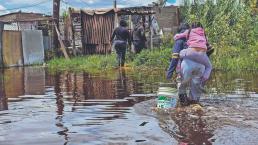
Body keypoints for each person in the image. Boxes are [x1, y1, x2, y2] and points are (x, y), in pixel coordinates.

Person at [175, 22, 213, 105]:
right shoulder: (203, 35)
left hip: (187, 61)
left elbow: (178, 37)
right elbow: (210, 48)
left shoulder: (187, 34)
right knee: (196, 91)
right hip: (201, 62)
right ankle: (194, 103)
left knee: (182, 83)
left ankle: (183, 98)